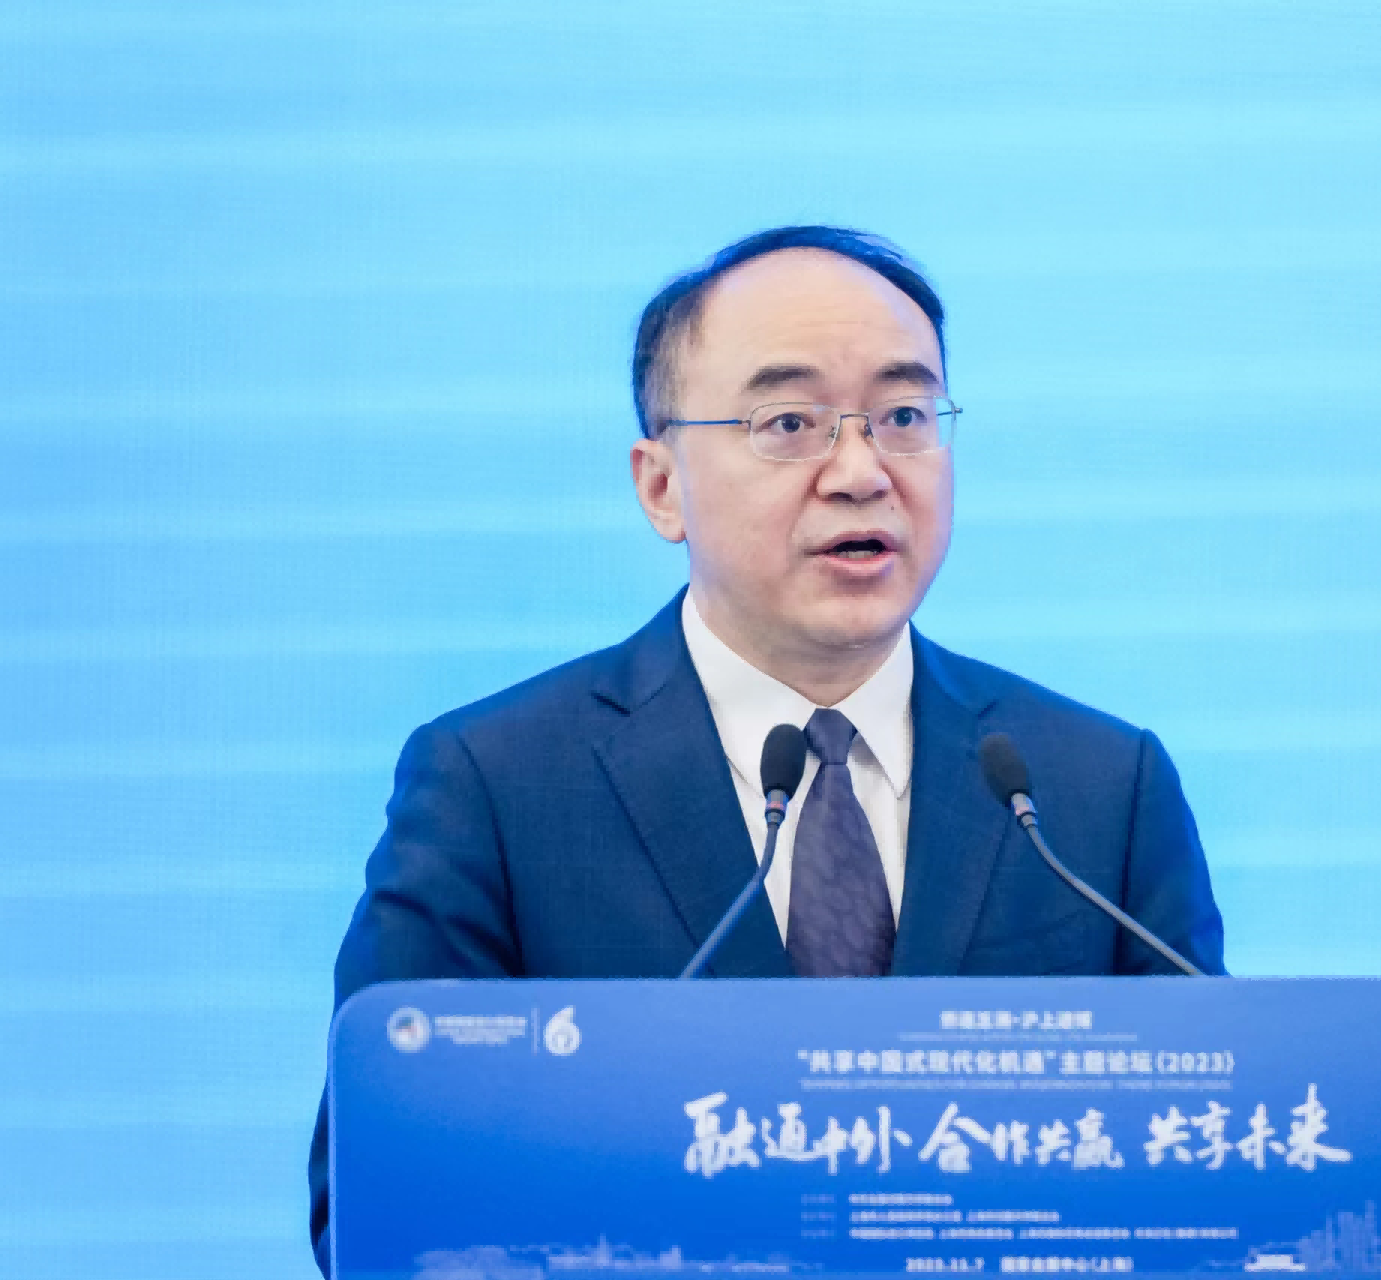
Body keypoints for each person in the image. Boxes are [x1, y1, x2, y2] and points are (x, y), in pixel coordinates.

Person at [306, 225, 1224, 1271]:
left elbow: (1212, 1168)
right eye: (790, 423)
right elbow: (377, 1202)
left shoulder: (1096, 789)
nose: (861, 471)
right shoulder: (496, 786)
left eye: (904, 416)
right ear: (661, 486)